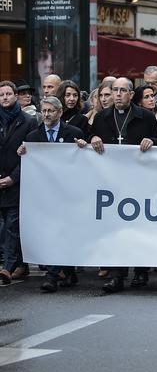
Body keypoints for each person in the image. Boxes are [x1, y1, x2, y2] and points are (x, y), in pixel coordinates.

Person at [87, 77, 157, 293]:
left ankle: (140, 271)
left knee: (139, 228)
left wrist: (152, 142)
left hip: (139, 181)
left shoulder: (145, 117)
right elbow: (91, 136)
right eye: (115, 90)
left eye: (123, 91)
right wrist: (92, 139)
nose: (118, 94)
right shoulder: (101, 117)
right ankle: (117, 275)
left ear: (131, 94)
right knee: (116, 229)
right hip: (113, 182)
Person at [17, 96, 85, 292]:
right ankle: (68, 273)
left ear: (59, 112)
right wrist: (23, 152)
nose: (46, 115)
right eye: (44, 111)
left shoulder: (74, 133)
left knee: (63, 231)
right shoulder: (33, 137)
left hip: (69, 195)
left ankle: (52, 276)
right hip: (45, 196)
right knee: (52, 233)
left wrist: (83, 147)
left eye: (51, 111)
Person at [0, 81, 38, 285]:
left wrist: (13, 177)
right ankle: (18, 263)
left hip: (17, 183)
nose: (5, 97)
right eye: (1, 94)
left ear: (15, 96)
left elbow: (30, 154)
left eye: (8, 94)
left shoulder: (28, 121)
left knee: (12, 225)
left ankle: (8, 266)